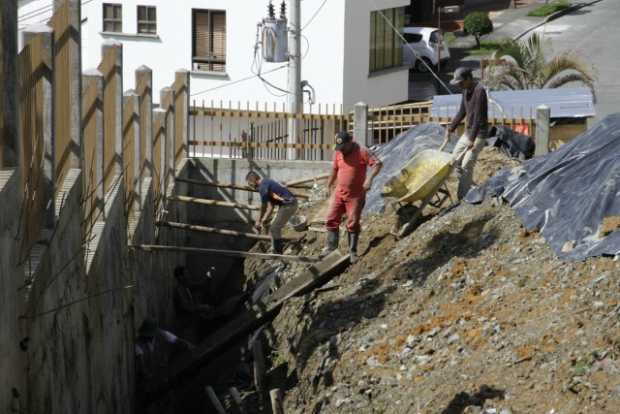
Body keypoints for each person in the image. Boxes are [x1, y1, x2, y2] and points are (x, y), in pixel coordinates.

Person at [323, 131, 383, 263]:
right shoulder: (338, 153)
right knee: (331, 218)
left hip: (355, 195)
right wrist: (329, 185)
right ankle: (331, 248)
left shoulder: (362, 152)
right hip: (339, 192)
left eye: (343, 147)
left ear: (350, 142)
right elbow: (334, 169)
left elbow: (378, 164)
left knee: (353, 222)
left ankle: (352, 251)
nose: (341, 150)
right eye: (339, 148)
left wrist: (369, 180)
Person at [441, 67, 489, 200]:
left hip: (479, 134)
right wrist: (450, 128)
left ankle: (462, 197)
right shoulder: (465, 90)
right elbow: (462, 112)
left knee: (467, 163)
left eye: (461, 82)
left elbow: (478, 119)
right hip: (468, 132)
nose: (459, 85)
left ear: (469, 79)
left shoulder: (480, 91)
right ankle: (468, 186)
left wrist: (472, 140)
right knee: (454, 160)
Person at [134, 318, 195, 413]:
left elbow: (177, 340)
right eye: (146, 336)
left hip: (163, 372)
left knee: (168, 400)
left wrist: (190, 347)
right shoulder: (138, 345)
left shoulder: (161, 334)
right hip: (150, 380)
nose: (147, 338)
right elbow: (141, 366)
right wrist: (147, 375)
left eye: (149, 335)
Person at [246, 171, 298, 254]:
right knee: (273, 228)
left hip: (288, 205)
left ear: (253, 180)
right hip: (289, 204)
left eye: (250, 184)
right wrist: (263, 219)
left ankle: (278, 252)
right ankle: (274, 249)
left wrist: (259, 220)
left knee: (274, 228)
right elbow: (270, 206)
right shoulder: (266, 182)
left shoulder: (262, 187)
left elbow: (265, 207)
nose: (251, 186)